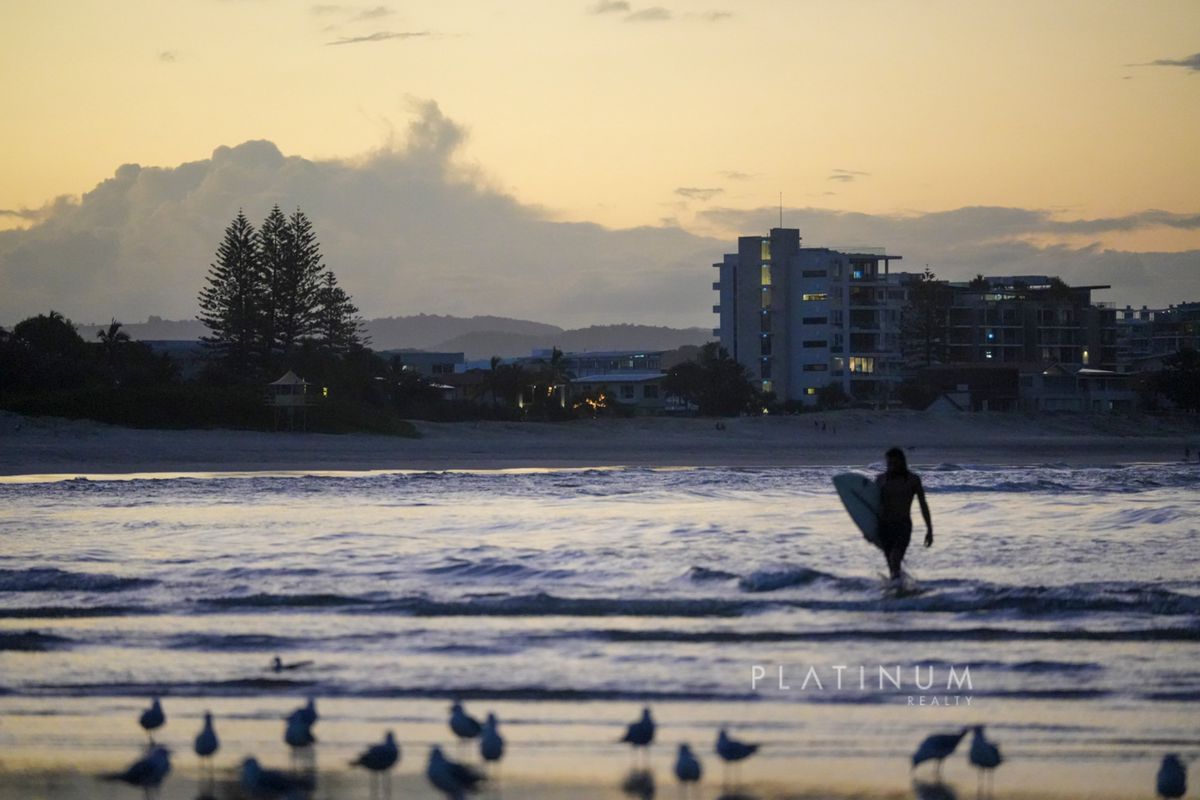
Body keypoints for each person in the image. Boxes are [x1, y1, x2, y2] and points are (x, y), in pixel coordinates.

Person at [875, 447, 933, 580]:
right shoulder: (881, 480)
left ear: (902, 462)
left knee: (895, 559)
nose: (891, 467)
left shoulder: (913, 480)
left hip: (903, 526)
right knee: (891, 563)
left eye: (895, 463)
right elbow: (873, 506)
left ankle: (898, 590)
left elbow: (923, 505)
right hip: (884, 527)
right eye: (889, 464)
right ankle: (898, 591)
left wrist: (929, 530)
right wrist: (869, 530)